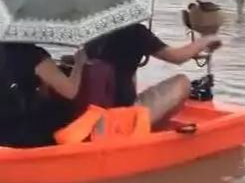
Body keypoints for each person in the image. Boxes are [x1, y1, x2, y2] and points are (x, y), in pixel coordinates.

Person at [84, 23, 221, 129]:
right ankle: (149, 132)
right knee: (182, 83)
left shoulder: (91, 29)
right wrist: (206, 40)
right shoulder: (135, 31)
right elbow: (177, 57)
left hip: (90, 112)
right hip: (120, 116)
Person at [0, 41, 86, 149]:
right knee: (62, 111)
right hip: (0, 134)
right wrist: (79, 63)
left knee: (43, 104)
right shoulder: (35, 56)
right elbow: (71, 91)